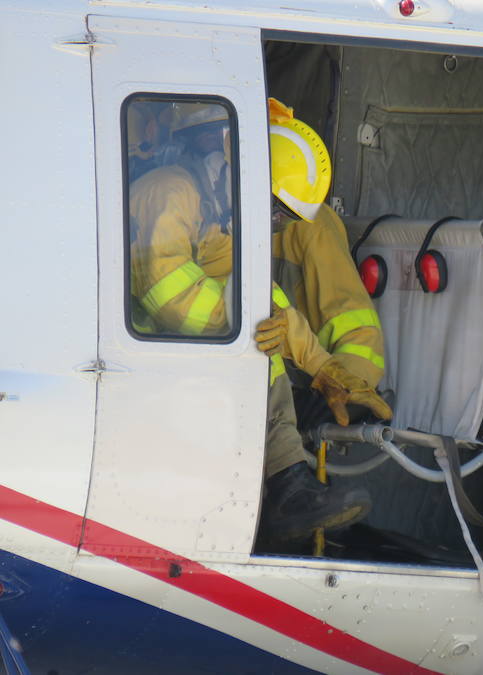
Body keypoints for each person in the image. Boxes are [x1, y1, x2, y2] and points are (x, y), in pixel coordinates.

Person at [128, 99, 391, 549]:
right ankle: (287, 484)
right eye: (273, 211)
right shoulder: (169, 192)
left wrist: (331, 371)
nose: (274, 225)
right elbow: (176, 298)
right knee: (255, 343)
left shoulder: (226, 211)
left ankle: (288, 486)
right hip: (149, 364)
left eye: (282, 217)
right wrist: (291, 342)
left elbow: (255, 295)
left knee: (258, 338)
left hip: (195, 371)